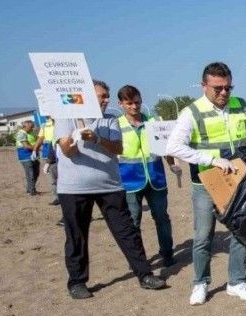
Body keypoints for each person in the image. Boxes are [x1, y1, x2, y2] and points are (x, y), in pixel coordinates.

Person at [166, 62, 246, 305]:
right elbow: (174, 147)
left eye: (228, 88)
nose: (224, 93)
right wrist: (211, 160)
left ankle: (236, 281)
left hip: (237, 181)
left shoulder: (240, 106)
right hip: (206, 183)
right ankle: (200, 283)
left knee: (240, 232)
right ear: (204, 86)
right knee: (204, 236)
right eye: (217, 88)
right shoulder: (191, 112)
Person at [54, 79, 166, 299]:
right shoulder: (65, 118)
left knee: (127, 232)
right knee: (76, 236)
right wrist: (74, 137)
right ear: (86, 97)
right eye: (101, 96)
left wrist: (96, 138)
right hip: (74, 189)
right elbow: (67, 151)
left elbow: (117, 147)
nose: (106, 100)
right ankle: (77, 282)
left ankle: (144, 275)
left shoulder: (110, 121)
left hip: (109, 186)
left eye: (107, 96)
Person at [116, 85, 178, 267]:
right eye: (129, 103)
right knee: (133, 221)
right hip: (129, 181)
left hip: (156, 178)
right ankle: (137, 258)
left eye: (137, 102)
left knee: (162, 218)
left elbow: (165, 147)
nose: (134, 107)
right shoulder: (117, 126)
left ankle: (167, 252)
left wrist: (172, 164)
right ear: (121, 104)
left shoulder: (154, 121)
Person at [37, 116, 60, 205]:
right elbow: (52, 148)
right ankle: (57, 198)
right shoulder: (52, 132)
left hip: (66, 161)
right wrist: (47, 162)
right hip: (54, 161)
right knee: (53, 181)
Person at [15, 120, 41, 195]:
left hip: (33, 155)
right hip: (25, 156)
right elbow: (25, 146)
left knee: (36, 173)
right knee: (30, 174)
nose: (33, 128)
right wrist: (36, 148)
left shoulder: (30, 133)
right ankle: (31, 190)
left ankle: (30, 188)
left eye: (33, 126)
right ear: (26, 126)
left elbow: (37, 140)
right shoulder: (21, 133)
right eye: (31, 126)